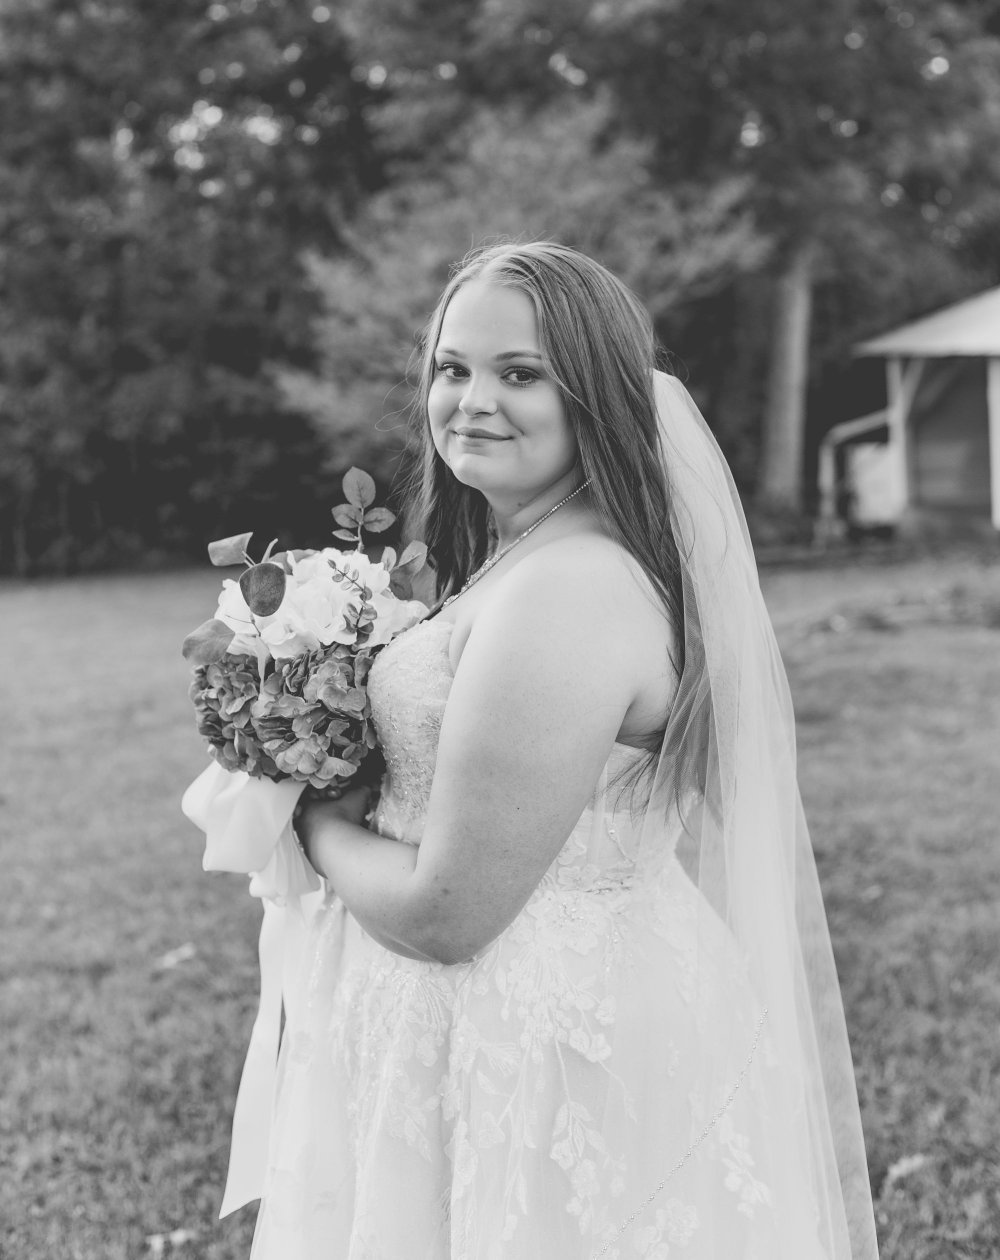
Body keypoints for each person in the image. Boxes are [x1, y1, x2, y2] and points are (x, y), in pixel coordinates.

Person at [248, 241, 880, 1259]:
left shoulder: (568, 590)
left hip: (546, 1045)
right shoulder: (524, 556)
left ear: (595, 394)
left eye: (520, 373)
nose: (473, 401)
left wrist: (315, 822)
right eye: (452, 368)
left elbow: (448, 913)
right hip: (493, 1027)